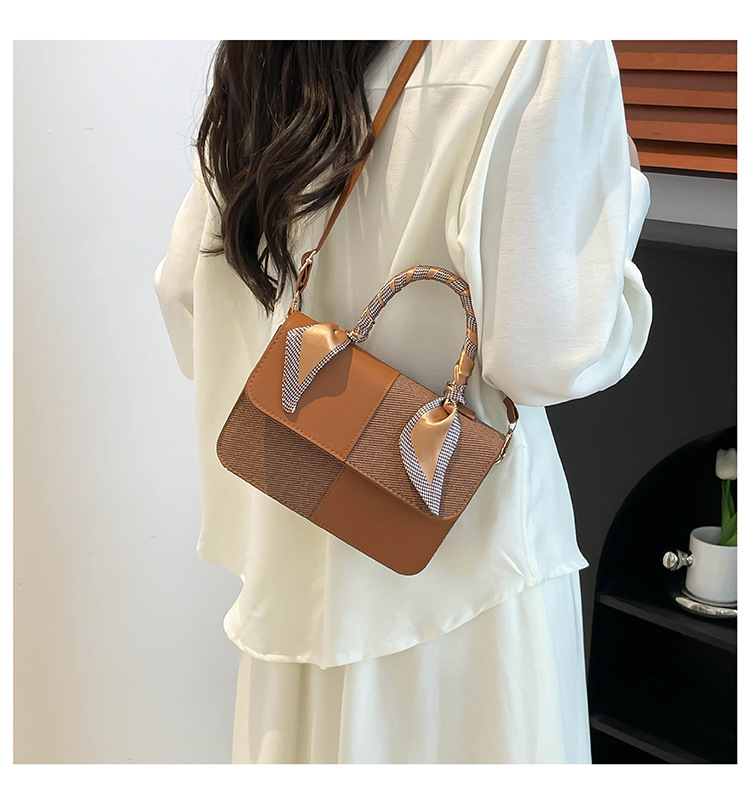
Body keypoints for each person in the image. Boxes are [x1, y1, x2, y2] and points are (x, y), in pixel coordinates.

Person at [154, 40, 651, 764]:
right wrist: (621, 202)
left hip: (295, 555)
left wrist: (320, 380)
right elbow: (543, 357)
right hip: (466, 581)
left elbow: (183, 289)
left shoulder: (264, 49)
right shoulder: (546, 42)